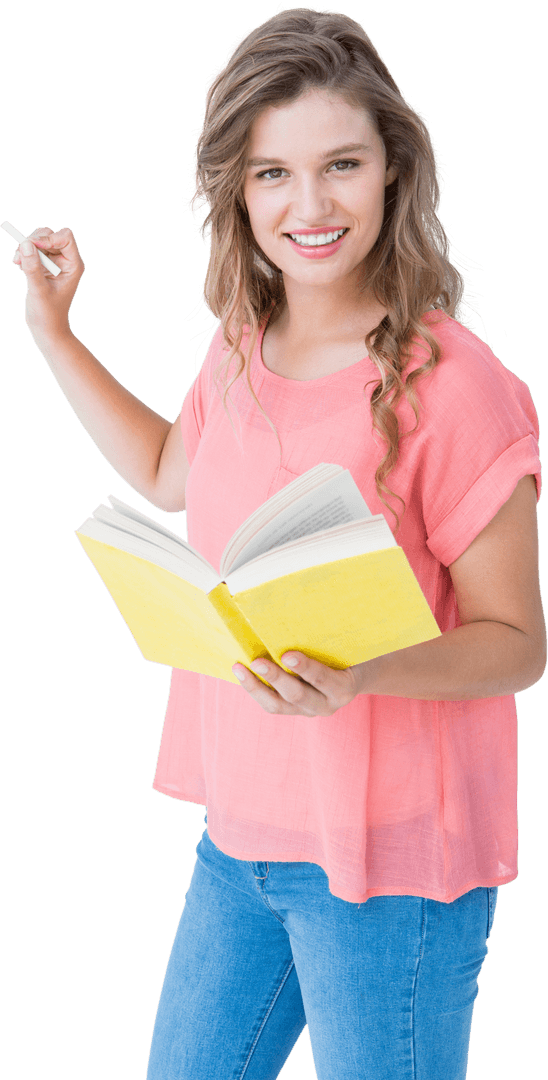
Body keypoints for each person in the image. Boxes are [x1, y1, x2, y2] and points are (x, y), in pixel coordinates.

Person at [13, 7, 546, 1079]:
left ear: (392, 172)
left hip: (390, 872)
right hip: (241, 844)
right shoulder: (241, 344)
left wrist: (361, 674)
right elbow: (168, 472)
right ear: (238, 193)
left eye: (341, 164)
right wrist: (54, 334)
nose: (310, 206)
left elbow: (518, 643)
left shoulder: (458, 387)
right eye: (273, 174)